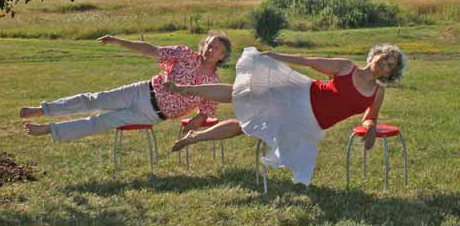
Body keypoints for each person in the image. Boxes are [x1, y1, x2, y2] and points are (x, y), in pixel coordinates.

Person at [165, 44, 406, 185]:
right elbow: (307, 60)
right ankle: (185, 88)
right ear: (374, 55)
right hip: (299, 94)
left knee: (244, 126)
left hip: (309, 124)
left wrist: (371, 126)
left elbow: (370, 116)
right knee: (241, 92)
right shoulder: (345, 67)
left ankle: (193, 138)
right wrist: (275, 56)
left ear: (389, 74)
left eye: (390, 65)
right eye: (384, 58)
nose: (385, 64)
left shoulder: (377, 92)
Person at [20, 31, 231, 141]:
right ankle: (42, 110)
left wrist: (194, 123)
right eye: (209, 44)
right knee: (94, 100)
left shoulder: (214, 83)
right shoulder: (184, 53)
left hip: (151, 114)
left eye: (217, 48)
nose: (211, 49)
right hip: (142, 91)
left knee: (100, 122)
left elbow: (206, 112)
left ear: (222, 56)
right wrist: (118, 41)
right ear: (203, 45)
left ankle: (49, 130)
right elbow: (151, 50)